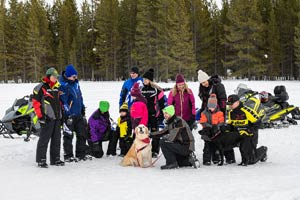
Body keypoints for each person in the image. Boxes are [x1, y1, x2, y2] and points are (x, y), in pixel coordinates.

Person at [198, 69, 235, 164]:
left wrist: (221, 112)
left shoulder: (218, 85)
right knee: (209, 138)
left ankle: (228, 157)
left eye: (204, 82)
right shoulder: (202, 87)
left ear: (208, 79)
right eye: (201, 83)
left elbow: (223, 99)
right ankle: (211, 157)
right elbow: (203, 100)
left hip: (218, 112)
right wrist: (204, 111)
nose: (203, 84)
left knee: (223, 136)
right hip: (208, 111)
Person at [220, 94, 268, 166]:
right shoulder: (231, 112)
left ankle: (263, 150)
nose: (230, 106)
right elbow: (231, 124)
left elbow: (259, 123)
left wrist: (249, 130)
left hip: (250, 136)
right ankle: (230, 158)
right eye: (229, 104)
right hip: (238, 136)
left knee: (250, 160)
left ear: (237, 102)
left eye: (231, 104)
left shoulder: (247, 111)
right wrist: (226, 128)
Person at [32, 67, 64, 168]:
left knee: (57, 139)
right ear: (49, 76)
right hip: (47, 118)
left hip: (57, 118)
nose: (56, 78)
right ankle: (41, 160)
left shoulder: (57, 87)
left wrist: (61, 115)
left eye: (57, 77)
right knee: (44, 139)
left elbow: (60, 103)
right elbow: (36, 103)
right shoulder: (40, 87)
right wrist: (40, 117)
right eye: (54, 76)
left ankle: (55, 159)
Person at [150, 105, 198, 170]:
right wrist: (150, 135)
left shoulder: (178, 122)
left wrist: (164, 138)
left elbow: (172, 137)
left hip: (187, 146)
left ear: (171, 113)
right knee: (180, 163)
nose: (164, 115)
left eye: (166, 113)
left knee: (163, 142)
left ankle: (171, 163)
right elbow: (162, 132)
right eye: (164, 113)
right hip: (182, 145)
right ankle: (188, 160)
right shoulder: (171, 122)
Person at [59, 64, 88, 162]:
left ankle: (81, 154)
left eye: (76, 76)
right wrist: (68, 112)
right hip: (69, 115)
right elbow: (64, 101)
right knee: (68, 135)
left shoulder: (76, 83)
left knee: (82, 134)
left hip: (78, 113)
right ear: (68, 75)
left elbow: (80, 97)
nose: (75, 77)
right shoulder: (62, 85)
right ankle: (68, 155)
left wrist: (82, 108)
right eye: (73, 76)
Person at [141, 68, 166, 158]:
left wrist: (161, 114)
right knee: (144, 133)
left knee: (155, 133)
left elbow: (162, 103)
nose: (144, 81)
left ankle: (155, 151)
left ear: (150, 80)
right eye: (143, 79)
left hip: (154, 115)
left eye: (146, 79)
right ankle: (144, 149)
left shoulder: (157, 90)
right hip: (144, 116)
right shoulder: (141, 89)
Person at [199, 94, 224, 166]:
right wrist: (210, 126)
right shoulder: (204, 113)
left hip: (216, 134)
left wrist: (216, 127)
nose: (211, 108)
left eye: (213, 107)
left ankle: (216, 159)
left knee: (216, 147)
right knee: (207, 147)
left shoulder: (220, 113)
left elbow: (221, 122)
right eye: (210, 107)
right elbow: (203, 122)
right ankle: (206, 160)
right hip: (207, 133)